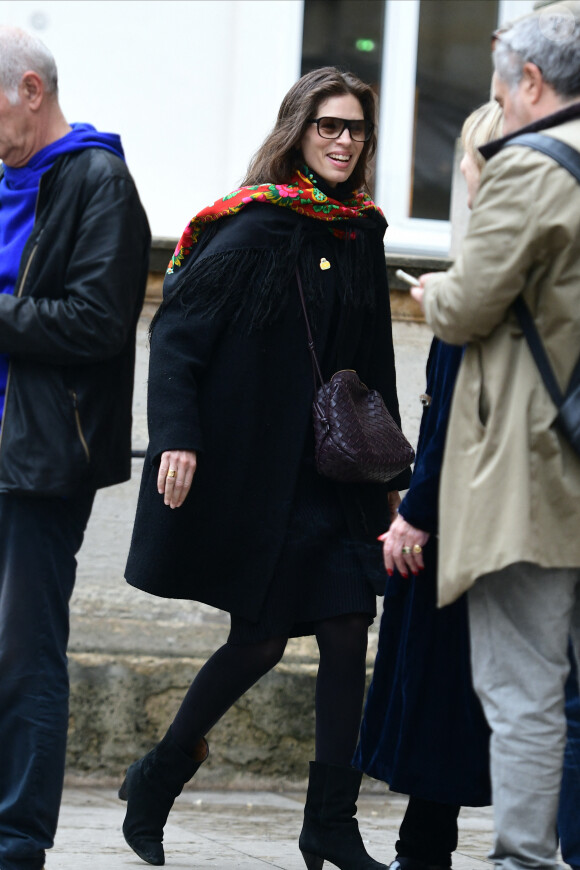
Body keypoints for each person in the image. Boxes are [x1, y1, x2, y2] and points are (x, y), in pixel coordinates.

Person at [120, 66, 410, 869]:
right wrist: (177, 437)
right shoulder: (252, 229)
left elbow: (374, 361)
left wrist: (391, 483)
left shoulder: (361, 231)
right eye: (329, 127)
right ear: (298, 132)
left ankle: (330, 823)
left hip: (335, 478)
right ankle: (161, 772)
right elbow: (176, 339)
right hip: (259, 475)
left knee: (351, 630)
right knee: (260, 642)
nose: (344, 141)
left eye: (355, 129)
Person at [356, 96, 580, 870]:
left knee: (488, 693)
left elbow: (455, 411)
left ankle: (479, 853)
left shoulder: (486, 282)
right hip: (502, 502)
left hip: (476, 512)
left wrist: (415, 511)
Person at [0, 26, 151, 870]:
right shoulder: (4, 176)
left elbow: (96, 325)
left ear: (30, 90)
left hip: (42, 458)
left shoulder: (99, 182)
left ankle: (17, 839)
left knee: (23, 653)